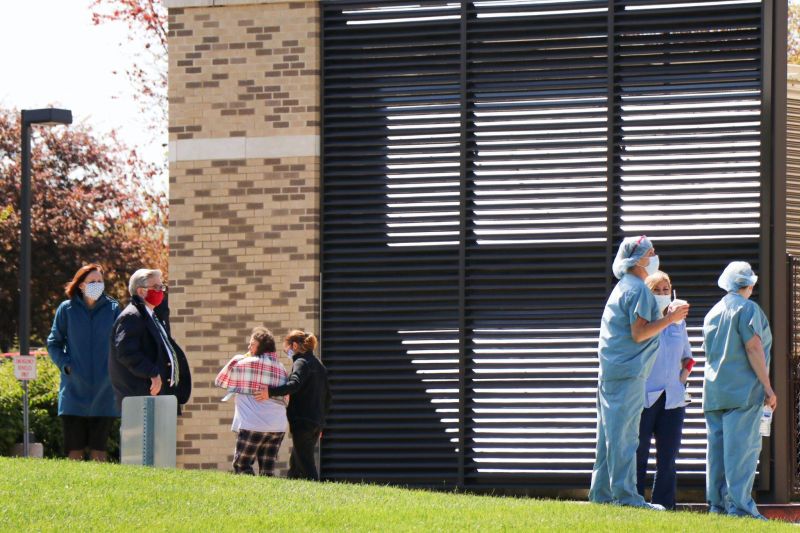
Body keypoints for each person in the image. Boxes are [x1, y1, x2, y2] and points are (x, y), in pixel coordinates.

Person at [589, 236, 689, 509]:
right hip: (629, 372)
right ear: (639, 258)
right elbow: (639, 333)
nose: (654, 257)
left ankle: (602, 494)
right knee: (625, 437)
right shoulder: (638, 291)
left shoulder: (623, 287)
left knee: (609, 437)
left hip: (614, 370)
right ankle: (626, 496)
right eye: (651, 252)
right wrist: (670, 319)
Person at [703, 261, 776, 519]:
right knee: (742, 452)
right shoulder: (748, 309)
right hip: (743, 392)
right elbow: (753, 347)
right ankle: (741, 508)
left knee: (718, 453)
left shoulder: (712, 312)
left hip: (714, 392)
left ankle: (717, 506)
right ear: (750, 283)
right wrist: (767, 387)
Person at [46, 264, 121, 461]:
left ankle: (102, 491)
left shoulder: (113, 308)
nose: (97, 285)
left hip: (105, 391)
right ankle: (71, 491)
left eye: (100, 281)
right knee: (74, 452)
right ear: (80, 285)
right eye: (92, 282)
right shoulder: (66, 309)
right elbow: (53, 343)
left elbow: (120, 344)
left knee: (99, 452)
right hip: (74, 391)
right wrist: (66, 365)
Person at [635, 270, 694, 509]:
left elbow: (688, 356)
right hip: (646, 396)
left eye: (665, 289)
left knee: (668, 457)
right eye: (656, 290)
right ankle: (634, 500)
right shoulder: (644, 320)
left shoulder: (679, 323)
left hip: (673, 398)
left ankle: (665, 504)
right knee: (639, 453)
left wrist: (683, 376)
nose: (662, 294)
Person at [109, 269, 191, 411]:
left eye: (162, 286)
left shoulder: (153, 316)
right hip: (142, 401)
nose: (161, 291)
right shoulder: (131, 316)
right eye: (157, 287)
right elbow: (126, 352)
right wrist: (151, 372)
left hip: (161, 398)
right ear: (141, 291)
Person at [256, 330, 331, 480]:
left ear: (295, 345)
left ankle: (318, 494)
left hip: (302, 420)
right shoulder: (318, 364)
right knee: (296, 463)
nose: (286, 351)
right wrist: (321, 424)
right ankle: (292, 486)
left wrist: (269, 392)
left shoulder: (301, 362)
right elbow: (328, 397)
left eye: (286, 347)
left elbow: (293, 384)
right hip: (315, 422)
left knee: (305, 461)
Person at [215, 327, 288, 476]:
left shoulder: (243, 363)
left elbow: (220, 381)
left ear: (260, 347)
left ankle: (249, 497)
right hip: (277, 426)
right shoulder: (281, 368)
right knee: (268, 470)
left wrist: (239, 357)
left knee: (242, 465)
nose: (249, 347)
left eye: (252, 344)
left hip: (252, 424)